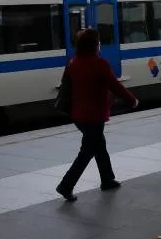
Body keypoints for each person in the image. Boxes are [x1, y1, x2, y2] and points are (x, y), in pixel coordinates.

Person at [55, 27, 139, 201]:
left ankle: (107, 179)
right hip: (94, 115)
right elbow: (115, 86)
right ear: (94, 45)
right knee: (87, 150)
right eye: (98, 42)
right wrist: (132, 101)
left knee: (99, 145)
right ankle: (65, 185)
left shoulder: (73, 62)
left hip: (78, 115)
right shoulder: (100, 64)